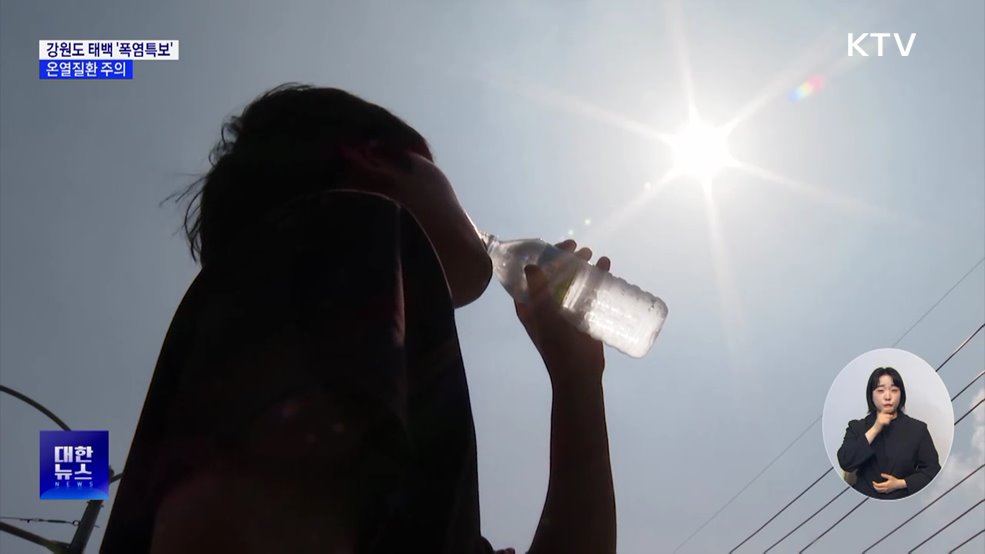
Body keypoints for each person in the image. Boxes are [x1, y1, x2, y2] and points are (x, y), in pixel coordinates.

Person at [101, 84, 617, 553]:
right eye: (436, 168)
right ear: (377, 157)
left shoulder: (368, 342)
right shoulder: (345, 230)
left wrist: (575, 379)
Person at [837, 367, 941, 500]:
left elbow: (932, 470)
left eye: (894, 390)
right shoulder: (856, 427)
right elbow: (845, 461)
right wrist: (875, 428)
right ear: (871, 395)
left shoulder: (917, 429)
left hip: (903, 501)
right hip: (861, 501)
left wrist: (901, 484)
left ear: (901, 394)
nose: (887, 396)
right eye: (880, 390)